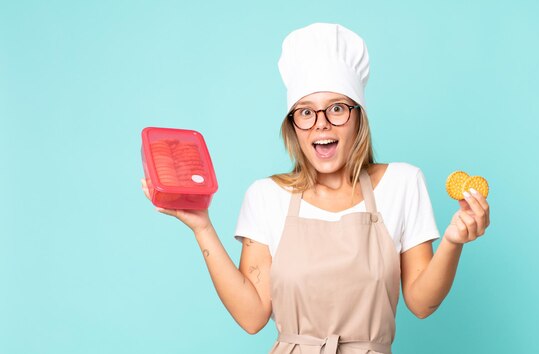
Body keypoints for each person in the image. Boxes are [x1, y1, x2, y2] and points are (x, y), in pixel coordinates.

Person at [141, 22, 491, 354]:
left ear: (358, 117)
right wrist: (202, 227)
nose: (321, 123)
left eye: (337, 108)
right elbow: (252, 318)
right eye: (305, 112)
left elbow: (421, 303)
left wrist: (452, 242)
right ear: (293, 126)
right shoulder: (266, 197)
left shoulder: (402, 183)